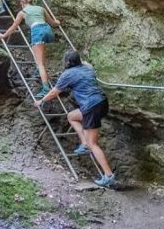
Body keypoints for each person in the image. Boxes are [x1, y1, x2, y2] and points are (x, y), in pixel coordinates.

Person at [35, 51, 116, 187]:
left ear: (67, 63)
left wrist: (41, 101)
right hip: (102, 102)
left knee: (93, 144)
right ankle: (83, 143)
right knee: (72, 116)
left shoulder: (68, 74)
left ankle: (108, 176)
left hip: (91, 105)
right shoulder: (87, 68)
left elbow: (55, 92)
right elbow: (85, 62)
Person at [0, 0, 61, 98]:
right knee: (40, 57)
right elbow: (53, 23)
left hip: (37, 31)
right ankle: (39, 71)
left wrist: (3, 35)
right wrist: (57, 22)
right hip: (47, 29)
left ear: (22, 3)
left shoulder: (23, 12)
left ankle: (46, 88)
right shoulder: (40, 8)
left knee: (40, 63)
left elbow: (13, 27)